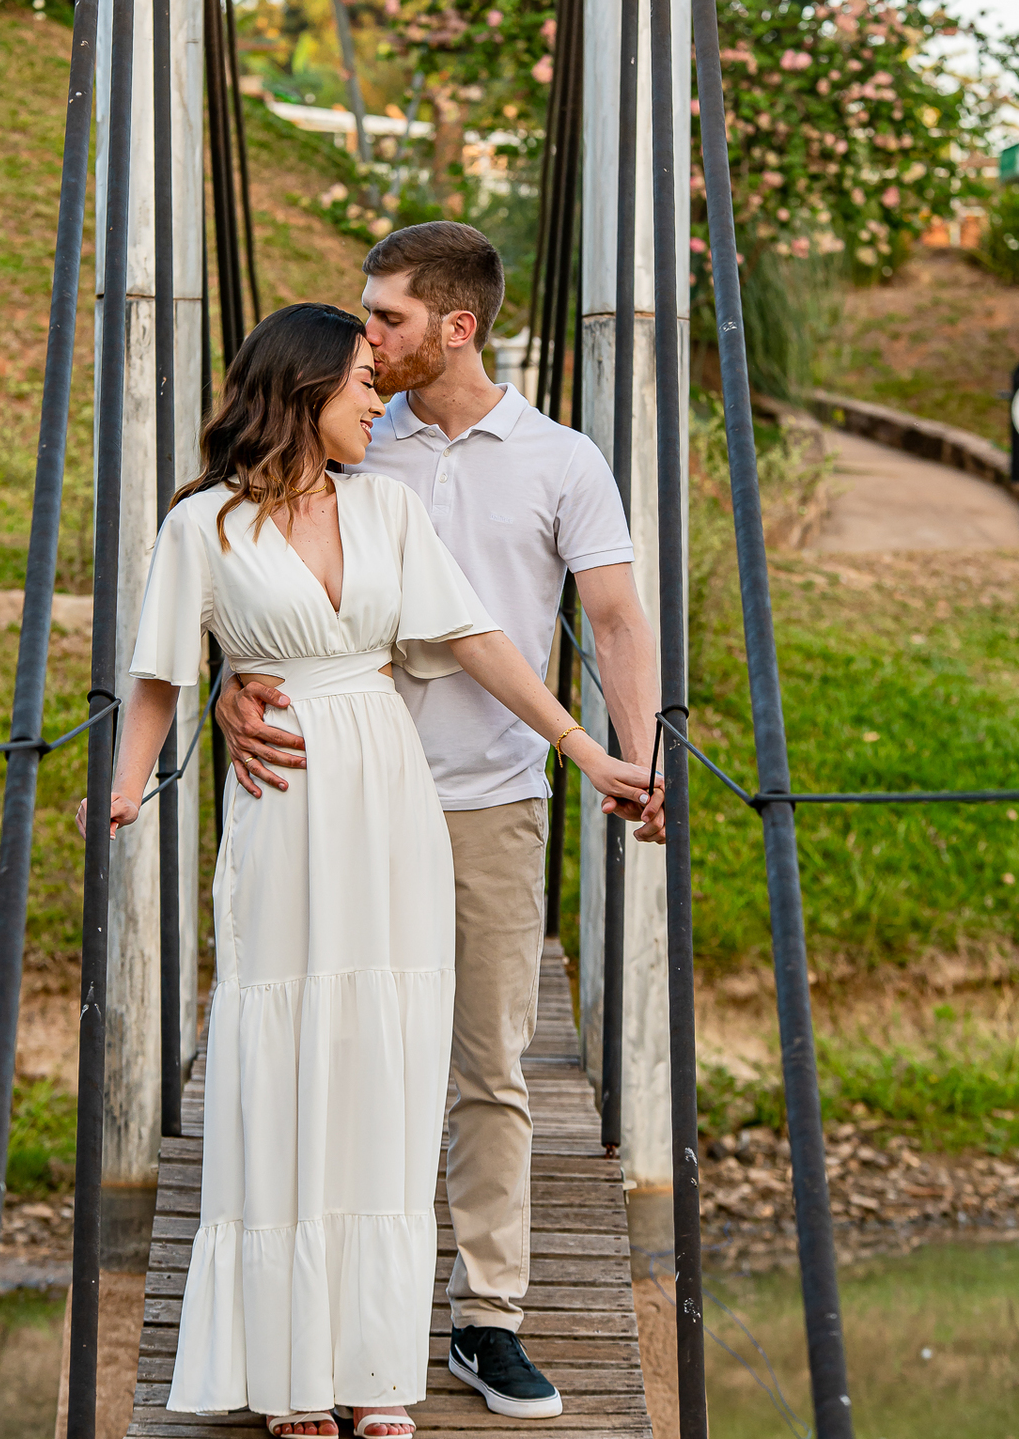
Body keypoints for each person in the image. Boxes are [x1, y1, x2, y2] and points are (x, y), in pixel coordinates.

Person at [80, 302, 664, 1439]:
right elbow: (157, 670)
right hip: (286, 808)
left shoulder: (387, 506)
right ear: (303, 393)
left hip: (390, 801)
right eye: (357, 382)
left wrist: (588, 745)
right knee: (289, 1050)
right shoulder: (202, 526)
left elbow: (489, 641)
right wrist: (127, 780)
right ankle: (292, 1371)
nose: (376, 399)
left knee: (387, 1065)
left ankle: (372, 1365)